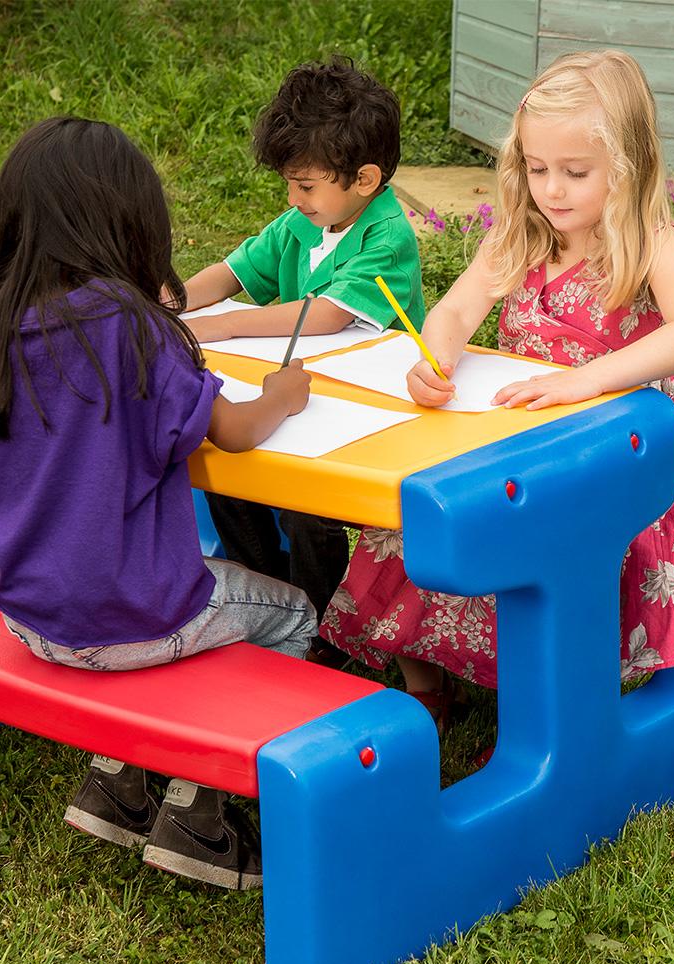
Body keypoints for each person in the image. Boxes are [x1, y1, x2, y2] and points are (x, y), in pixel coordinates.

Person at [318, 50, 674, 729]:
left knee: (556, 546)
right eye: (537, 170)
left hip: (624, 452)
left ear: (625, 169)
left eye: (576, 172)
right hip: (522, 438)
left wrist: (585, 380)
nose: (553, 190)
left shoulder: (647, 242)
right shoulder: (521, 234)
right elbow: (451, 312)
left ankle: (545, 715)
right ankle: (425, 685)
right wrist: (438, 356)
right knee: (409, 520)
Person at [0, 117, 317, 891]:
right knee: (296, 613)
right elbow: (236, 433)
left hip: (28, 614)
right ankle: (199, 812)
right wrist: (284, 392)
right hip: (133, 619)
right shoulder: (137, 330)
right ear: (132, 222)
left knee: (199, 584)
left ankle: (120, 777)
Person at [182, 57, 425, 668]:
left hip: (369, 419)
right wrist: (168, 302)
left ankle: (322, 629)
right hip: (301, 400)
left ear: (365, 179)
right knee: (226, 472)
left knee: (310, 511)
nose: (293, 199)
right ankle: (265, 596)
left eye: (305, 185)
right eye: (291, 184)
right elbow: (234, 272)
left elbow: (325, 315)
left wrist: (212, 325)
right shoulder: (300, 222)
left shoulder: (387, 232)